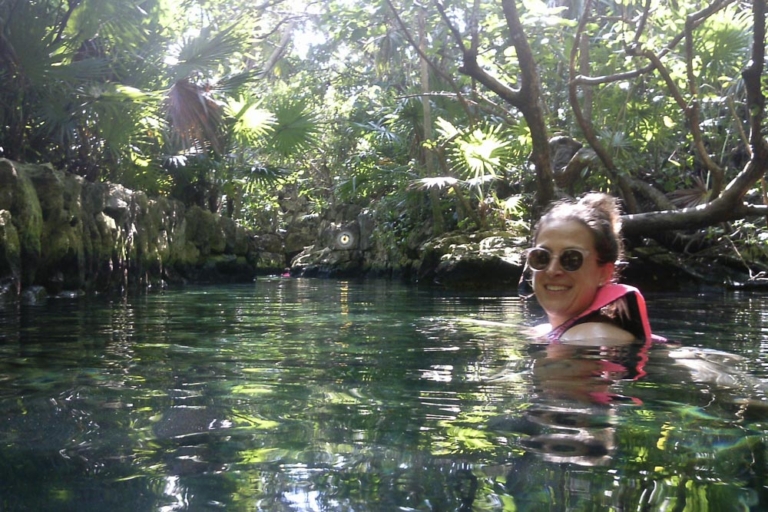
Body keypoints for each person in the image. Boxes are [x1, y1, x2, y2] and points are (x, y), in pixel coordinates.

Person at [526, 193, 660, 343]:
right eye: (541, 257)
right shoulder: (550, 331)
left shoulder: (589, 336)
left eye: (571, 258)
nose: (552, 270)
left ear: (604, 273)